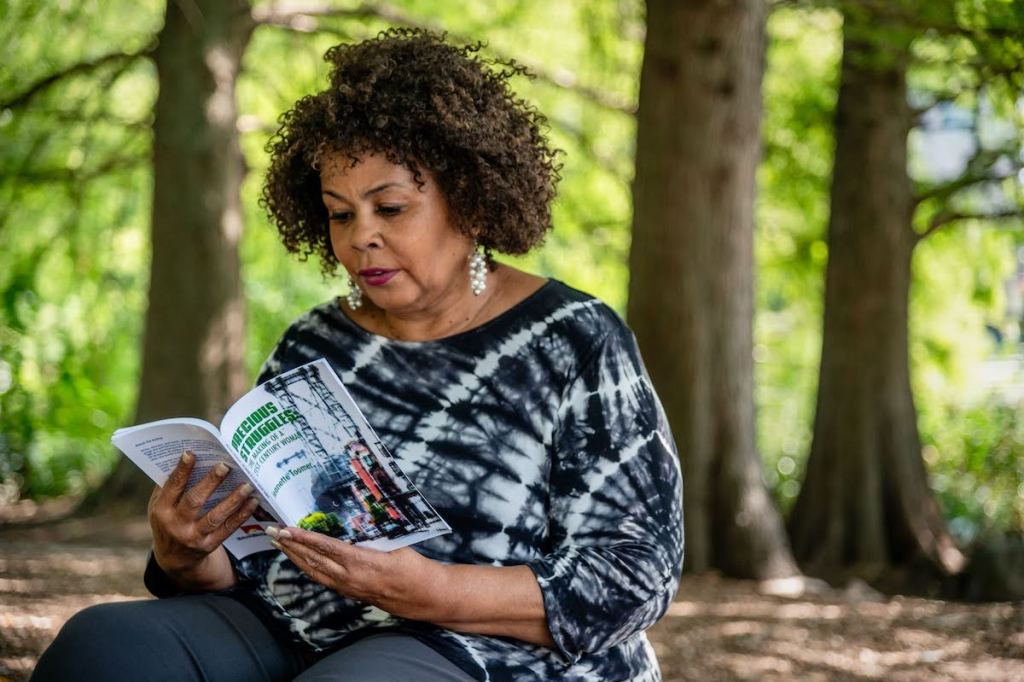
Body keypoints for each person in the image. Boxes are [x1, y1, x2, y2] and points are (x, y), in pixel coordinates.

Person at [33, 29, 683, 681]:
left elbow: (632, 574)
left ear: (473, 198)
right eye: (339, 214)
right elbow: (261, 552)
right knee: (103, 646)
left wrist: (428, 590)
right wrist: (187, 552)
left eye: (390, 207)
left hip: (489, 648)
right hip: (296, 620)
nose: (361, 237)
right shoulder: (316, 340)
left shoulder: (573, 340)